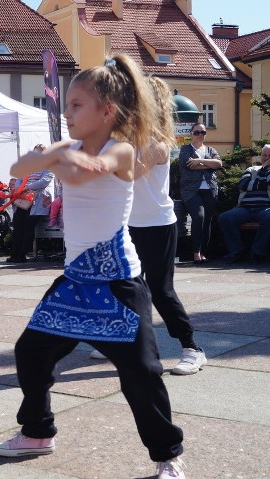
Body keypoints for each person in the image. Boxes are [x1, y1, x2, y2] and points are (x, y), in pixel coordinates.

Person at [0, 54, 186, 479]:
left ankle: (167, 455)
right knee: (30, 353)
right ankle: (38, 432)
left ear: (107, 111)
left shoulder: (122, 149)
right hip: (75, 281)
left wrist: (55, 154)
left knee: (142, 373)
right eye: (68, 104)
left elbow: (88, 172)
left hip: (118, 284)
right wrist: (53, 153)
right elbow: (15, 170)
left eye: (77, 105)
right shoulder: (70, 147)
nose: (67, 112)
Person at [96, 76, 205, 376]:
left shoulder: (158, 144)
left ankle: (192, 349)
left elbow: (128, 175)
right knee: (123, 285)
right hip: (129, 225)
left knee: (160, 290)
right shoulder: (125, 138)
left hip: (158, 225)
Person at [218, 144, 270, 263]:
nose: (266, 158)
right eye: (264, 155)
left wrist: (265, 171)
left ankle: (257, 252)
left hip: (266, 208)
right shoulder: (251, 169)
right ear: (260, 156)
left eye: (269, 156)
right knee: (224, 218)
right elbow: (243, 185)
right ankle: (236, 251)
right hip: (244, 208)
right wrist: (263, 180)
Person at [179, 122, 221, 264]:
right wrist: (209, 165)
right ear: (191, 134)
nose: (200, 135)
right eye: (197, 132)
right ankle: (196, 252)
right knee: (199, 217)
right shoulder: (185, 149)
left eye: (202, 132)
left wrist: (200, 161)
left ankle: (203, 251)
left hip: (210, 189)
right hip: (191, 191)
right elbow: (189, 166)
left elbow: (218, 164)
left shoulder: (210, 149)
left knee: (207, 219)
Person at [7, 146, 54, 263]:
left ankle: (22, 254)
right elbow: (19, 179)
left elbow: (44, 181)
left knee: (28, 226)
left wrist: (28, 187)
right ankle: (14, 254)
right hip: (23, 199)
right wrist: (19, 188)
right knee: (18, 226)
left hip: (37, 200)